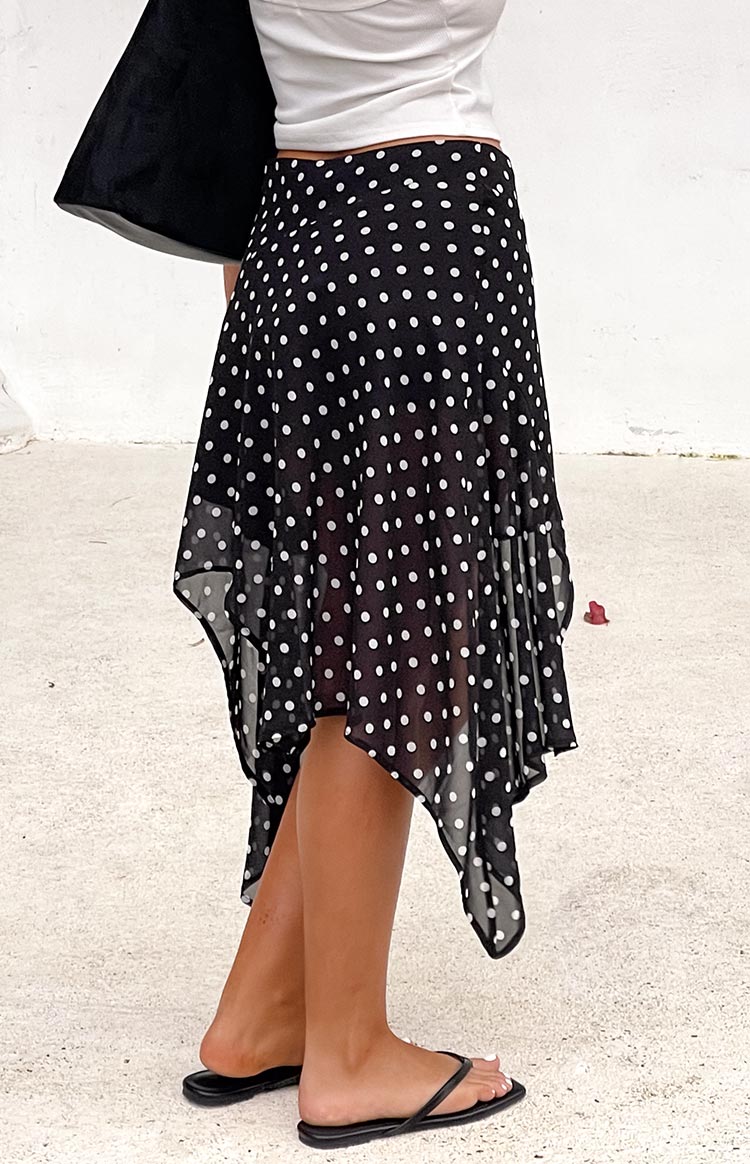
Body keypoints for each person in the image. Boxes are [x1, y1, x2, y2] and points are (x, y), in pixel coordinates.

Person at [172, 0, 578, 1147]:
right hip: (423, 224)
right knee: (402, 642)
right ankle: (349, 1055)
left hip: (291, 226)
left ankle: (262, 1012)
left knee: (354, 629)